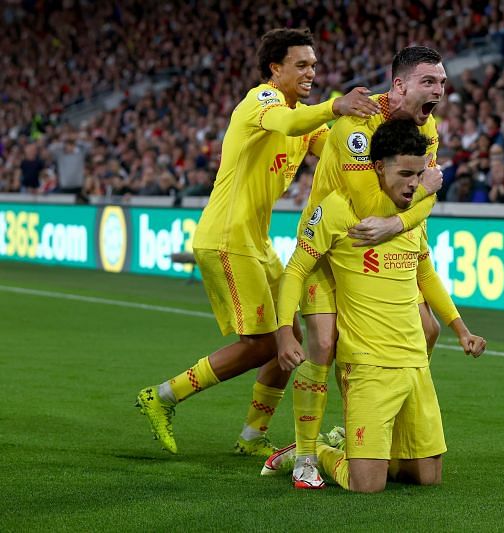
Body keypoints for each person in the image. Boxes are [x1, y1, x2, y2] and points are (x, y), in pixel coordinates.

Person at [134, 28, 379, 456]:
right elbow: (289, 120)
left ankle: (252, 436)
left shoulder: (305, 119)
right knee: (266, 343)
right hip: (228, 239)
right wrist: (335, 105)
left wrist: (385, 122)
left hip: (257, 242)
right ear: (275, 68)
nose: (311, 72)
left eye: (314, 65)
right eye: (301, 65)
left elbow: (341, 149)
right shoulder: (261, 101)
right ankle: (162, 395)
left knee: (291, 338)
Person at [272, 119, 486, 493]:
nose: (413, 184)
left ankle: (365, 451)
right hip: (368, 363)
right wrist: (284, 333)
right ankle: (317, 451)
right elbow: (295, 271)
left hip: (414, 362)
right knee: (366, 486)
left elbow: (426, 275)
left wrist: (460, 328)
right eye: (404, 173)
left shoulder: (412, 214)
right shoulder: (337, 209)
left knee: (427, 477)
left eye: (419, 174)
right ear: (376, 168)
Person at [270, 46, 448, 489]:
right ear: (400, 84)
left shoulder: (430, 129)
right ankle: (306, 453)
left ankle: (368, 425)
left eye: (442, 83)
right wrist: (416, 200)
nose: (439, 92)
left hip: (378, 239)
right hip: (330, 242)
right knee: (324, 344)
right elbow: (372, 207)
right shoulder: (358, 123)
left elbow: (419, 197)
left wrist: (408, 211)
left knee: (428, 330)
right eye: (429, 82)